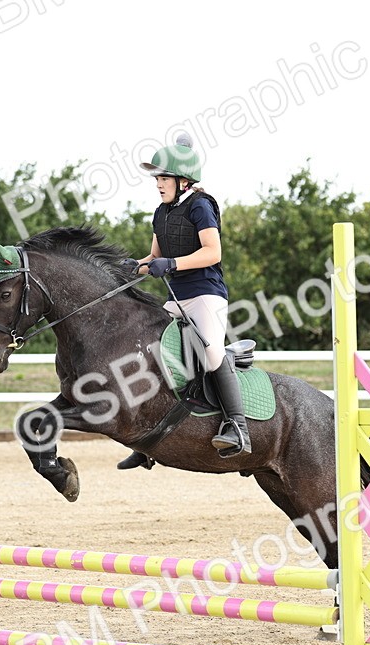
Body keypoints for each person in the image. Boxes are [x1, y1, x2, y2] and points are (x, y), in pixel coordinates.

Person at [116, 133, 251, 470]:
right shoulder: (161, 213)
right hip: (176, 298)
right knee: (149, 352)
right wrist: (135, 266)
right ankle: (147, 443)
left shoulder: (201, 205)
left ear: (183, 180)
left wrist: (172, 265)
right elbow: (155, 257)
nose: (158, 184)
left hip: (205, 293)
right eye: (157, 178)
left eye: (163, 178)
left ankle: (238, 426)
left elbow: (212, 252)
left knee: (211, 353)